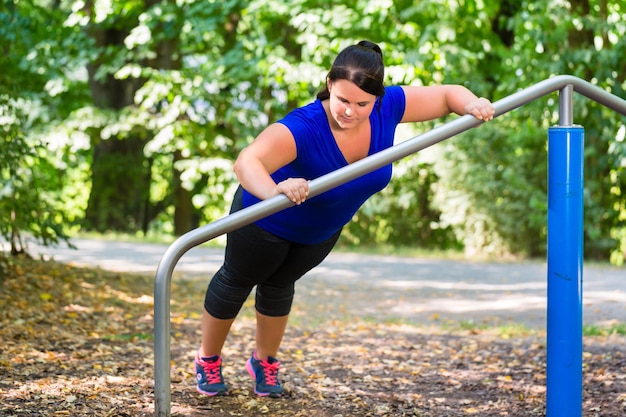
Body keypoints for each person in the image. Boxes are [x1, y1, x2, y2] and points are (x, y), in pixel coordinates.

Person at [194, 40, 495, 398]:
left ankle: (264, 362)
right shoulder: (304, 126)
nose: (350, 111)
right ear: (330, 86)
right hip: (265, 223)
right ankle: (208, 359)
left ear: (377, 98)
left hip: (320, 231)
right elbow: (246, 162)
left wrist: (471, 103)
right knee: (236, 282)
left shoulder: (390, 106)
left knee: (278, 287)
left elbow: (447, 95)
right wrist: (276, 191)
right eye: (342, 100)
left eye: (362, 104)